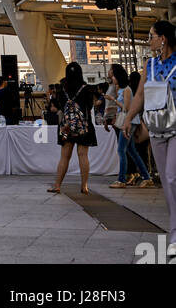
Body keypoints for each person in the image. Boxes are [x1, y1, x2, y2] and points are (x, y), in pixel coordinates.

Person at [125, 19, 176, 256]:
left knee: (171, 176)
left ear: (163, 38)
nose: (149, 40)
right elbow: (140, 95)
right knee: (166, 183)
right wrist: (129, 118)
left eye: (151, 36)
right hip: (156, 128)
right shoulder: (150, 65)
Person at [47, 62, 97, 196]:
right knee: (83, 156)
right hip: (83, 127)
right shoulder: (86, 88)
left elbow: (60, 106)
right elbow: (90, 106)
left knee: (64, 157)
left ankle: (57, 185)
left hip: (67, 127)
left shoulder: (62, 89)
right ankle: (84, 186)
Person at [106, 62, 153, 191]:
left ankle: (122, 179)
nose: (112, 78)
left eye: (114, 76)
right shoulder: (120, 89)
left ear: (119, 77)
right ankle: (146, 177)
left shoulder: (126, 90)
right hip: (128, 121)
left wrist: (113, 100)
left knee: (122, 150)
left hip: (129, 122)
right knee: (131, 151)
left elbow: (127, 108)